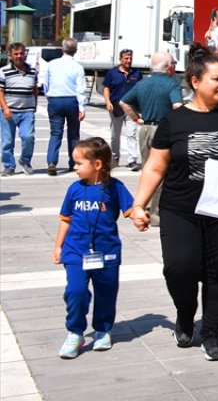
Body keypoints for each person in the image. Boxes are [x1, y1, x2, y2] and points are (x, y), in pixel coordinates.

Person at [128, 44, 218, 361]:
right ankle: (186, 313)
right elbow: (155, 166)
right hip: (180, 209)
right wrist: (139, 205)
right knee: (179, 269)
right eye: (216, 79)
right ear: (195, 82)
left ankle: (213, 333)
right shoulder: (174, 121)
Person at [53, 137, 135, 358]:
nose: (74, 167)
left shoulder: (115, 188)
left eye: (79, 163)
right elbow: (65, 219)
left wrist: (140, 217)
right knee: (75, 291)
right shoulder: (74, 189)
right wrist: (58, 246)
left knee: (106, 293)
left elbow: (131, 209)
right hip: (75, 251)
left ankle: (103, 330)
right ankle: (75, 331)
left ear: (97, 165)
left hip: (107, 252)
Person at [120, 52, 184, 228]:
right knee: (162, 172)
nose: (175, 65)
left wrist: (136, 118)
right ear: (168, 66)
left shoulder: (142, 83)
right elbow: (178, 106)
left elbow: (124, 103)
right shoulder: (172, 84)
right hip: (163, 131)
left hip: (145, 129)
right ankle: (156, 214)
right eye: (174, 62)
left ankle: (144, 205)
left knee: (148, 169)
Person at [39, 38, 86, 176]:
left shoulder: (51, 64)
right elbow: (81, 89)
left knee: (55, 133)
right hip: (72, 100)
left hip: (55, 100)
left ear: (62, 49)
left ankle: (52, 162)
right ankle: (73, 162)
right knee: (73, 134)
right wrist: (82, 107)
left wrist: (50, 97)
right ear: (75, 51)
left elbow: (46, 84)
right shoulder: (78, 67)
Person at [1, 42, 38, 176]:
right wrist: (5, 108)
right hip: (9, 111)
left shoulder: (32, 71)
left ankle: (25, 161)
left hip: (27, 111)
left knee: (28, 137)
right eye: (16, 54)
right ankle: (9, 166)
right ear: (10, 55)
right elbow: (0, 91)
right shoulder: (4, 71)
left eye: (21, 53)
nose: (19, 56)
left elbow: (34, 88)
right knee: (7, 141)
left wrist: (35, 105)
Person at [103, 49, 142, 170]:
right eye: (126, 58)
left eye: (130, 58)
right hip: (116, 108)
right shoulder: (112, 73)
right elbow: (106, 89)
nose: (129, 61)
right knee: (115, 135)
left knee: (131, 134)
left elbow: (141, 89)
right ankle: (114, 158)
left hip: (131, 108)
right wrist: (108, 102)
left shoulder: (136, 73)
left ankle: (132, 160)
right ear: (121, 59)